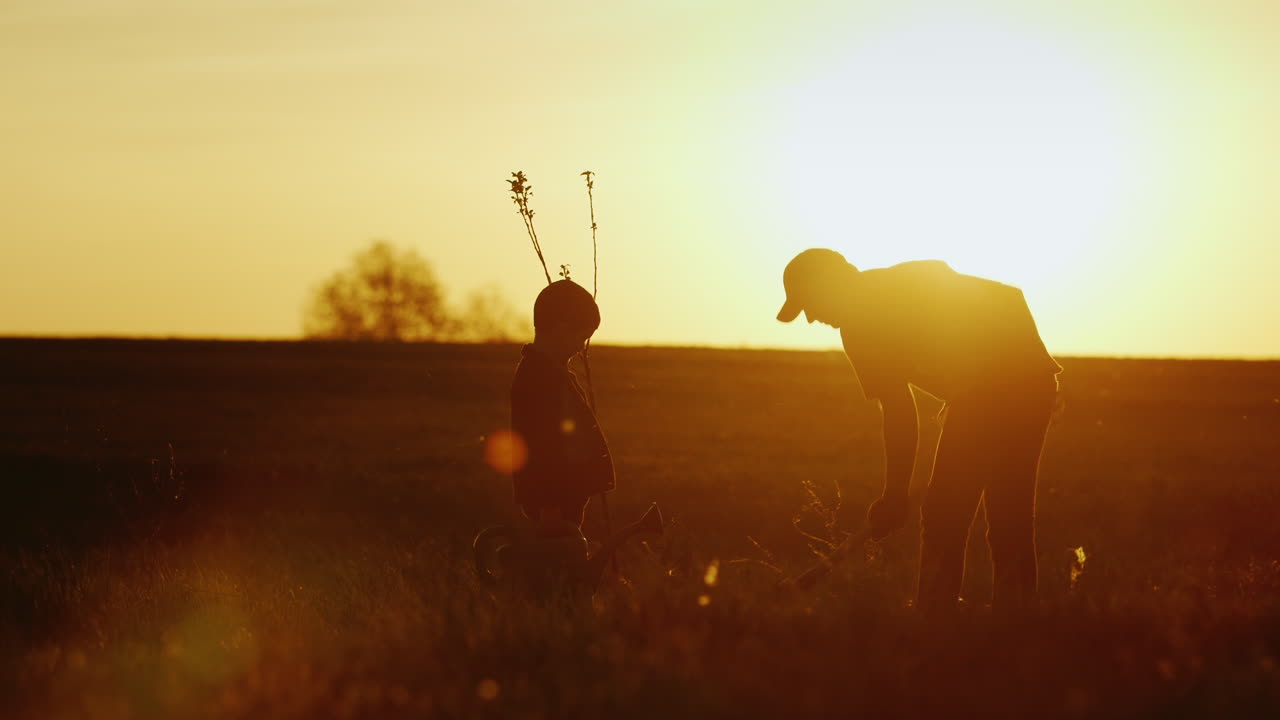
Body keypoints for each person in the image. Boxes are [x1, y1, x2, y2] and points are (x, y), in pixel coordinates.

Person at [776, 248, 1062, 612]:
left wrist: (894, 495)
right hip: (1028, 379)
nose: (812, 317)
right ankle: (1013, 615)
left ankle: (937, 613)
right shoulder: (870, 308)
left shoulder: (871, 313)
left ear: (832, 285)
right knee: (1006, 512)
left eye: (810, 303)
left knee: (952, 511)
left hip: (1010, 381)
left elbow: (898, 411)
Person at [510, 279, 615, 533]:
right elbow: (538, 447)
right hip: (553, 506)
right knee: (559, 566)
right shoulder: (538, 379)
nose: (581, 347)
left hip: (562, 500)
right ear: (560, 328)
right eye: (581, 336)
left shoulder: (554, 374)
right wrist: (548, 507)